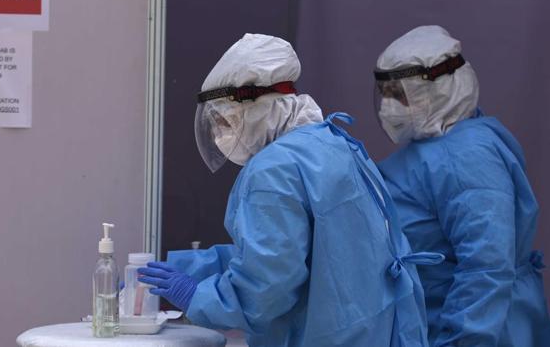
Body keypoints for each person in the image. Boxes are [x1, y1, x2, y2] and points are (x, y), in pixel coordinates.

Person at [138, 33, 442, 347]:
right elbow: (313, 254)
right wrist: (187, 269)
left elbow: (268, 287)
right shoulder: (334, 144)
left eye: (226, 122)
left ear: (257, 108)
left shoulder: (273, 170)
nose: (220, 137)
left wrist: (196, 295)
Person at [374, 25, 550, 346]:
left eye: (399, 95)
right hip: (440, 318)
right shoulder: (443, 146)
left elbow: (487, 267)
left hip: (481, 328)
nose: (389, 106)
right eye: (385, 94)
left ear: (439, 90)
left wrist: (462, 340)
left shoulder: (466, 157)